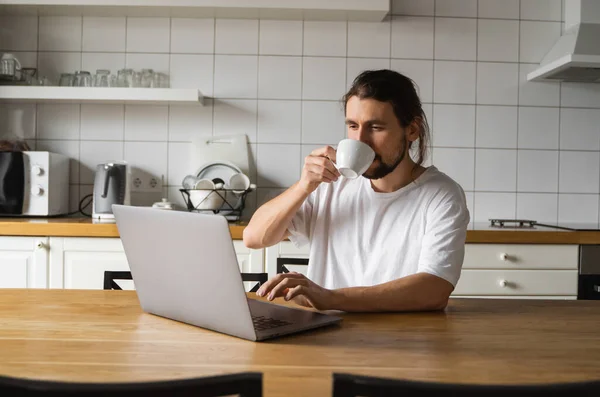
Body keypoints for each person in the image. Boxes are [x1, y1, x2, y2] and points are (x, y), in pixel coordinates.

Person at [243, 69, 470, 312]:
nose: (360, 140)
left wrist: (330, 298)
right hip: (325, 337)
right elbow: (254, 238)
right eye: (353, 126)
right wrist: (303, 187)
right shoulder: (331, 184)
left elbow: (434, 290)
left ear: (412, 130)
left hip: (404, 339)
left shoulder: (442, 194)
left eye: (375, 127)